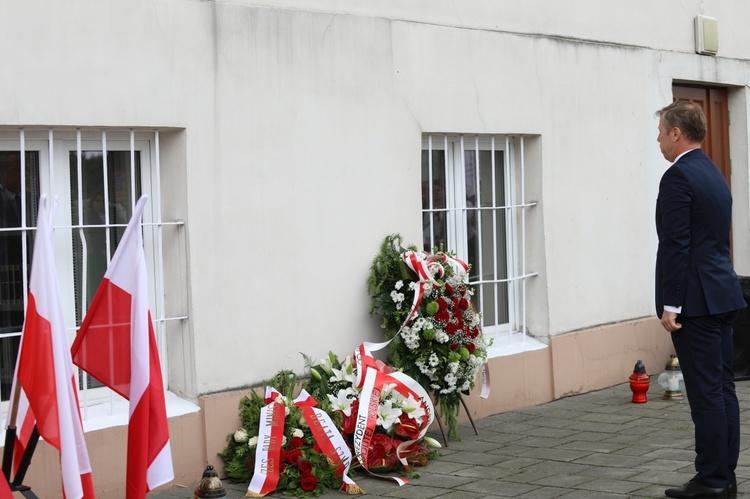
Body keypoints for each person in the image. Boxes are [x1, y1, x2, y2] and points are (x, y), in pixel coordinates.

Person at [655, 101, 746, 499]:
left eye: (661, 131)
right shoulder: (713, 173)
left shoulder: (677, 177)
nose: (658, 138)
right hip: (723, 294)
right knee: (723, 389)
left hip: (696, 302)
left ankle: (712, 480)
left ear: (677, 133)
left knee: (707, 393)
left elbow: (676, 245)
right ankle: (723, 476)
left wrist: (671, 304)